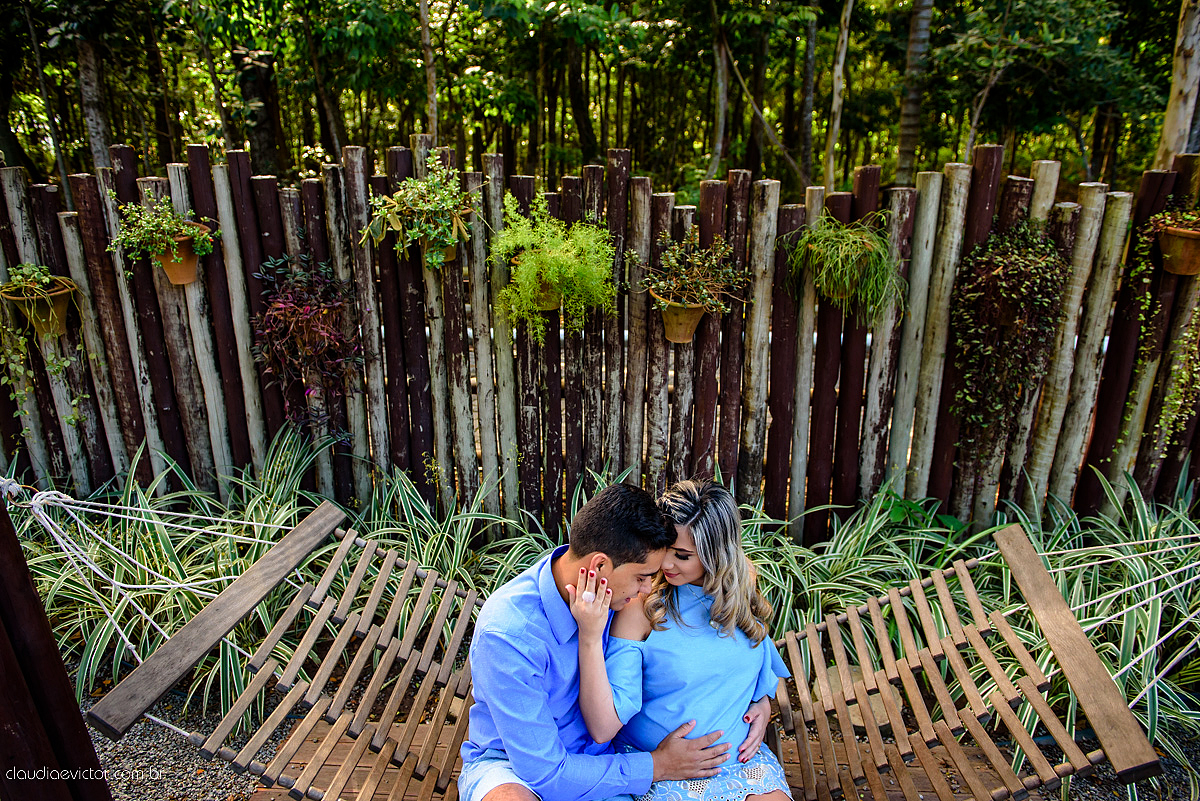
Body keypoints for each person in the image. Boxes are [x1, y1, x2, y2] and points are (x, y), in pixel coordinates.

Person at [460, 483, 761, 801]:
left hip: (601, 761)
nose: (647, 590)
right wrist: (656, 766)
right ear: (599, 566)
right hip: (518, 770)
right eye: (642, 577)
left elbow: (702, 525)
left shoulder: (613, 589)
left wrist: (759, 698)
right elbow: (546, 774)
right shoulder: (509, 635)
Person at [568, 479, 793, 801]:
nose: (667, 564)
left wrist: (761, 700)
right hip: (664, 770)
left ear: (717, 554)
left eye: (683, 556)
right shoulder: (641, 606)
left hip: (741, 766)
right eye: (665, 551)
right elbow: (607, 717)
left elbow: (753, 655)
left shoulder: (741, 588)